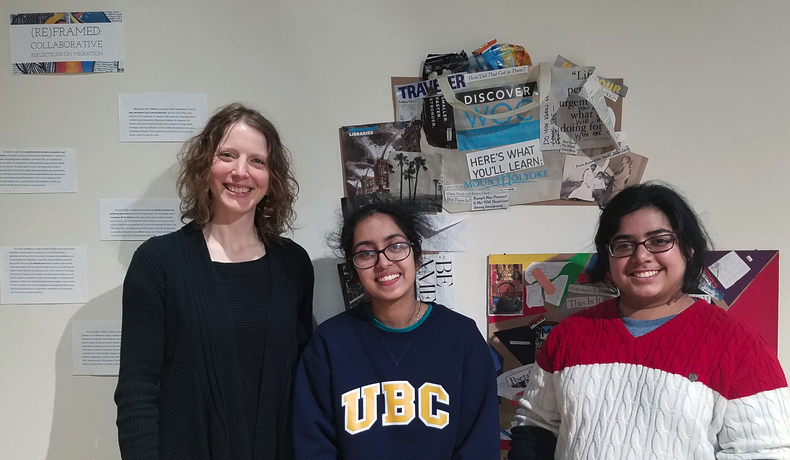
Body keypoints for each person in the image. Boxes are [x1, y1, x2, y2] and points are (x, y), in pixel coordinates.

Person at [510, 182, 790, 459]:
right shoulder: (569, 334)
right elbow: (535, 427)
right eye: (624, 245)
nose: (641, 256)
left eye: (659, 241)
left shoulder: (741, 346)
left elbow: (764, 451)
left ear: (688, 248)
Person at [114, 103, 314, 460]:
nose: (241, 171)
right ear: (205, 164)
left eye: (257, 161)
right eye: (227, 155)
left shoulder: (293, 264)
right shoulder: (158, 262)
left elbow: (301, 380)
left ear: (272, 178)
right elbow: (137, 391)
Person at [294, 201, 499, 460]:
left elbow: (479, 445)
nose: (383, 262)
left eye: (396, 246)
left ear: (417, 257)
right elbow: (314, 445)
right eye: (366, 253)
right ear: (354, 273)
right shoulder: (329, 343)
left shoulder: (461, 337)